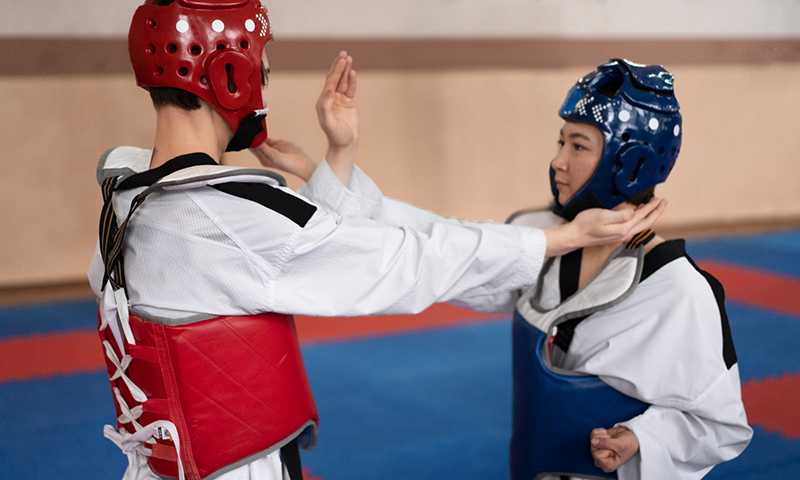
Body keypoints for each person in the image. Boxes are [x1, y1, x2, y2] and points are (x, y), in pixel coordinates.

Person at [88, 2, 665, 480]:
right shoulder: (228, 215)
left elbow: (291, 250)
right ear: (229, 78)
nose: (263, 86)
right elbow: (402, 259)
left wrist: (335, 157)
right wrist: (557, 239)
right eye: (261, 69)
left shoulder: (128, 197)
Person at [264, 59, 752, 479]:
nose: (558, 161)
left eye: (578, 146)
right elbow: (443, 245)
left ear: (631, 163)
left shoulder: (678, 289)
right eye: (560, 142)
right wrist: (328, 167)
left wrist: (641, 437)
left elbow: (721, 425)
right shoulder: (542, 235)